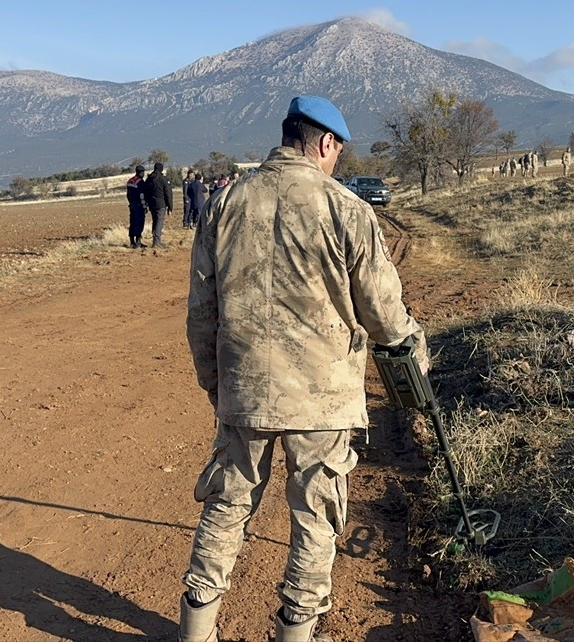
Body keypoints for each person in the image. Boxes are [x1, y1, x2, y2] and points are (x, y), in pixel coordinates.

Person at [181, 95, 426, 642]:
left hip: (244, 388)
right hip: (324, 397)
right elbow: (384, 316)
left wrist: (216, 384)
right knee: (316, 516)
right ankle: (295, 630)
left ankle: (195, 629)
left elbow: (201, 311)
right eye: (338, 151)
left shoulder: (224, 204)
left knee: (226, 505)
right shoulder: (347, 209)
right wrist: (415, 348)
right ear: (325, 143)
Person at [143, 162, 172, 248]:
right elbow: (168, 193)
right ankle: (157, 241)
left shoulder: (149, 178)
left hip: (152, 204)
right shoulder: (163, 179)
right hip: (161, 204)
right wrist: (170, 206)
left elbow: (145, 192)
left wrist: (147, 203)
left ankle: (155, 240)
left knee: (155, 221)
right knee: (159, 222)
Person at [126, 165, 147, 248]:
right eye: (143, 172)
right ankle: (138, 242)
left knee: (133, 222)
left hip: (132, 205)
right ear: (141, 172)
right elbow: (142, 195)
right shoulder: (140, 182)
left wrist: (131, 202)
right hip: (139, 205)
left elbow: (128, 194)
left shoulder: (130, 181)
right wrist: (144, 206)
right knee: (139, 223)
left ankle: (132, 242)